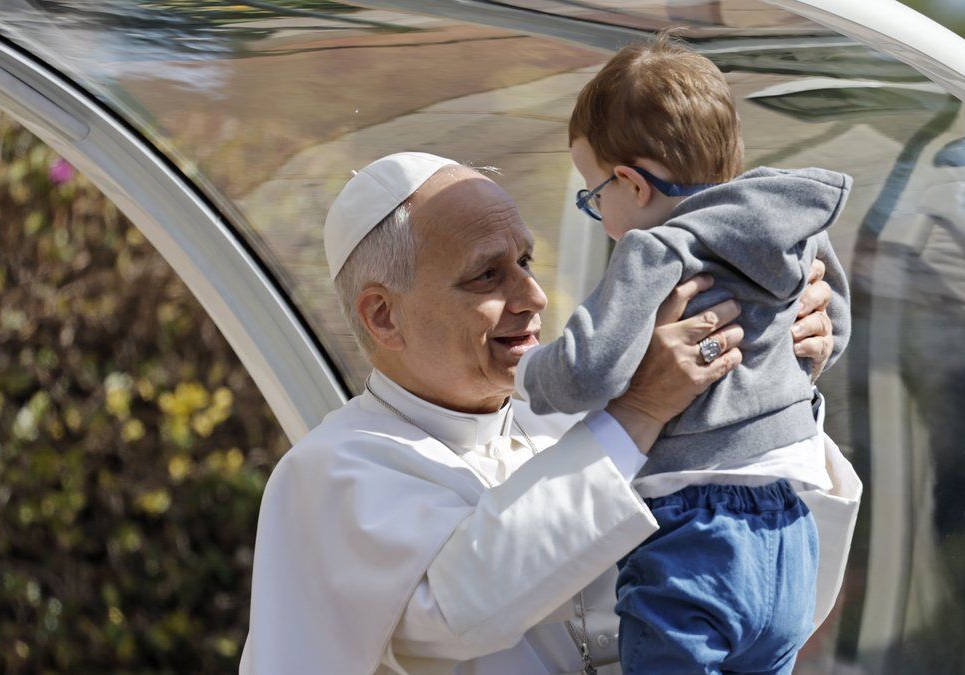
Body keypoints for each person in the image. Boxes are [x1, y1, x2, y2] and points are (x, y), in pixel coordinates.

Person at [239, 151, 838, 674]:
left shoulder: (580, 419)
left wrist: (776, 378)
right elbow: (460, 610)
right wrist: (640, 412)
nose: (533, 296)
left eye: (525, 261)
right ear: (383, 316)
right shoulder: (329, 472)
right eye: (487, 275)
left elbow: (770, 595)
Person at [516, 35, 855, 674]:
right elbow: (827, 329)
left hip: (694, 535)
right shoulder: (796, 229)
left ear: (630, 183)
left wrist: (526, 373)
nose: (600, 214)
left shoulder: (658, 251)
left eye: (593, 197)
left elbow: (591, 370)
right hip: (791, 532)